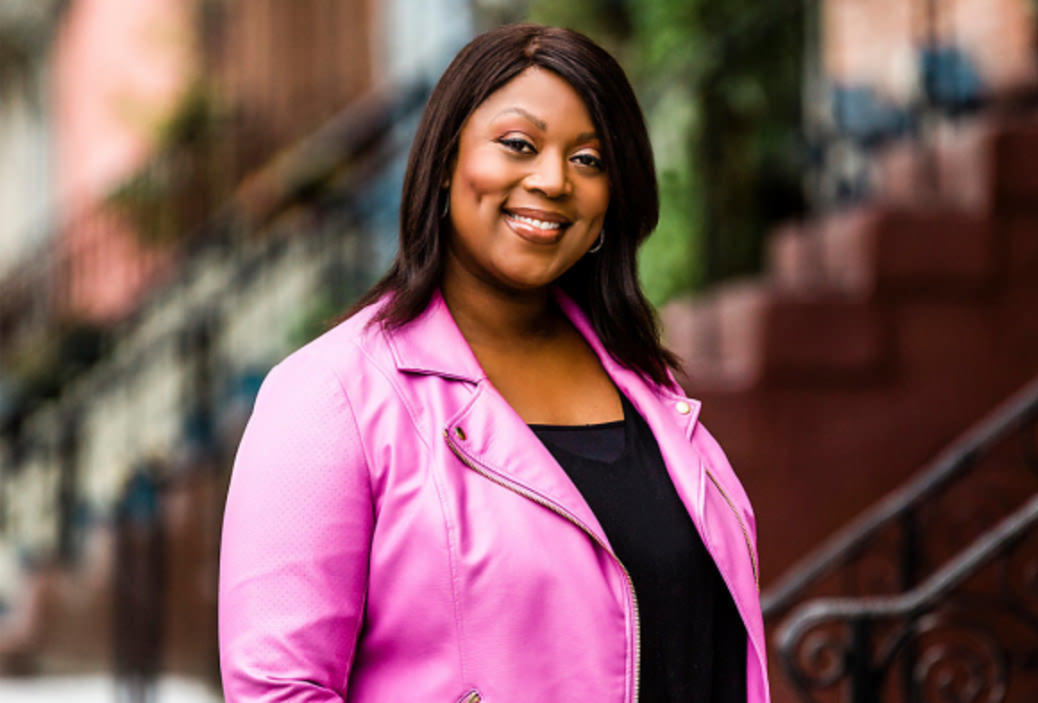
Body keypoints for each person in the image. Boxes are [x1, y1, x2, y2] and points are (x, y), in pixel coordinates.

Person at [217, 23, 767, 703]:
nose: (553, 180)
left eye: (589, 159)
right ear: (446, 161)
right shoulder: (332, 394)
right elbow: (279, 688)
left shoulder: (651, 391)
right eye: (519, 144)